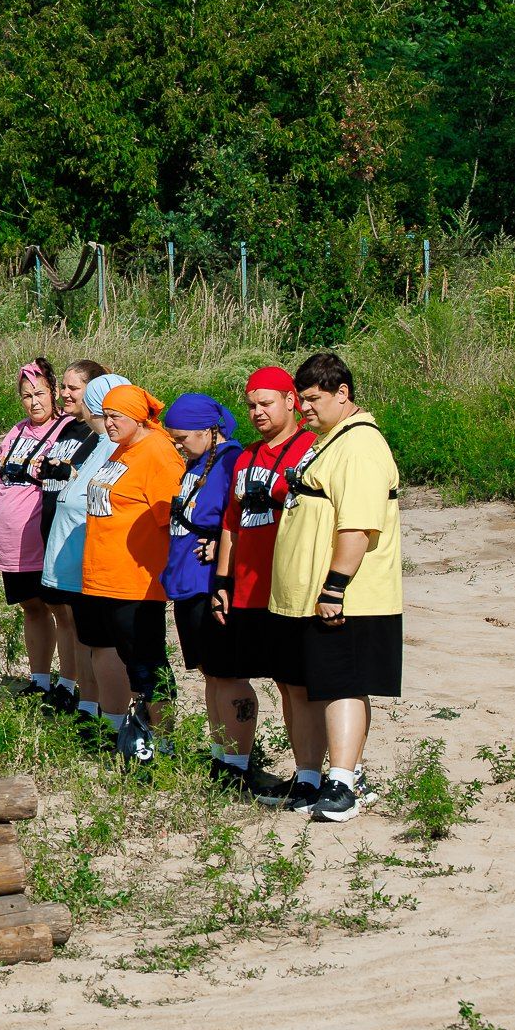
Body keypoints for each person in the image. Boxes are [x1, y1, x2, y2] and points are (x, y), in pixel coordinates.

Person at [268, 352, 403, 823]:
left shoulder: (361, 445)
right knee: (302, 686)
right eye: (300, 399)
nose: (303, 408)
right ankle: (308, 778)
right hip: (298, 597)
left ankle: (344, 782)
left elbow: (358, 526)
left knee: (342, 685)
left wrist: (335, 587)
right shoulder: (328, 439)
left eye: (312, 399)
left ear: (342, 393)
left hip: (345, 597)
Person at [211, 366, 320, 808]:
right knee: (280, 682)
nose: (257, 412)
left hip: (291, 586)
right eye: (251, 405)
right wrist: (223, 580)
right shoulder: (246, 457)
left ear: (291, 401)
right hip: (249, 588)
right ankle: (300, 771)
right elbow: (231, 524)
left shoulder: (311, 448)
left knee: (299, 684)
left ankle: (311, 776)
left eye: (266, 403)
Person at [161, 392, 271, 798]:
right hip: (186, 582)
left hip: (212, 585)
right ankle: (220, 755)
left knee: (229, 674)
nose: (178, 445)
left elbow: (241, 519)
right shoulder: (198, 460)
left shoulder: (230, 461)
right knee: (211, 674)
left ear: (209, 430)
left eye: (183, 438)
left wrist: (223, 548)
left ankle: (239, 764)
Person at [77, 382, 185, 764]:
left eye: (116, 416)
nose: (108, 423)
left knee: (147, 663)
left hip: (135, 580)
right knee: (130, 661)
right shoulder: (122, 448)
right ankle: (141, 734)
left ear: (138, 417)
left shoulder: (157, 452)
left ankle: (164, 741)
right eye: (105, 416)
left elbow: (172, 520)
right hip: (105, 576)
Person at [0, 359, 82, 698]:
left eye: (40, 394)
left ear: (54, 392)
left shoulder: (67, 430)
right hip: (12, 538)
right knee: (31, 607)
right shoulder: (15, 432)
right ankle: (40, 680)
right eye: (27, 396)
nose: (34, 402)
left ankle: (68, 685)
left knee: (62, 611)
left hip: (46, 538)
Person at [38, 367, 118, 731]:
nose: (67, 395)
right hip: (73, 557)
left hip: (94, 561)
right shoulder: (93, 441)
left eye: (76, 389)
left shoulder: (112, 445)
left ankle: (108, 715)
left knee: (100, 642)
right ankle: (87, 704)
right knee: (83, 635)